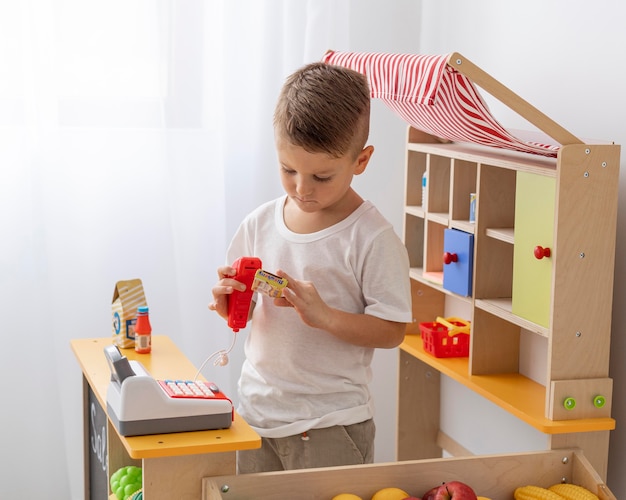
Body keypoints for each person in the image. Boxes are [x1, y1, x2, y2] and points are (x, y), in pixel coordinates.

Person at [209, 61, 412, 473]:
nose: (302, 188)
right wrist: (230, 304)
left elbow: (392, 330)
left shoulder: (372, 238)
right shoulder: (260, 223)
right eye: (288, 170)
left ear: (361, 160)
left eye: (321, 176)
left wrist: (325, 317)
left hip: (330, 426)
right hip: (255, 416)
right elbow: (245, 313)